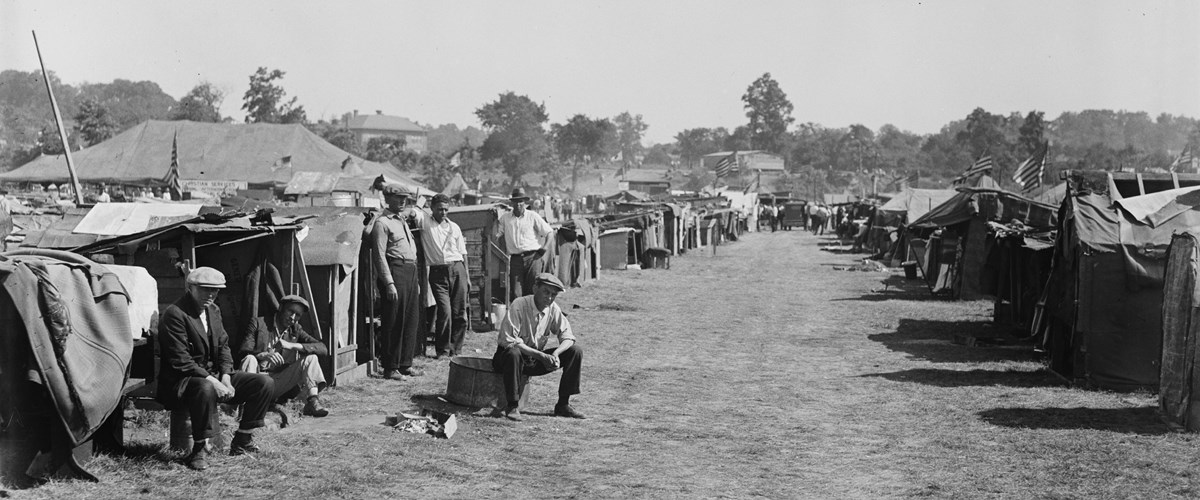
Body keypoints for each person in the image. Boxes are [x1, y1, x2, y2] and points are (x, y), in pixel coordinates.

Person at [156, 267, 274, 471]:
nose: (211, 294)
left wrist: (227, 377)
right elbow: (181, 361)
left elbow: (224, 347)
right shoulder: (175, 314)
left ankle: (243, 438)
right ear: (190, 287)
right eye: (205, 289)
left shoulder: (213, 310)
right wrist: (214, 381)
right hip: (182, 382)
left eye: (215, 290)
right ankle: (199, 449)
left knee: (264, 383)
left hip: (213, 377)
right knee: (204, 388)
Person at [492, 273, 584, 421]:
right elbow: (509, 341)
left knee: (575, 351)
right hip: (507, 359)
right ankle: (512, 405)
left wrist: (556, 353)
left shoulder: (553, 308)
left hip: (532, 359)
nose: (549, 298)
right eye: (546, 292)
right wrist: (541, 356)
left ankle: (563, 405)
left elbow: (568, 336)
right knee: (513, 353)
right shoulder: (519, 305)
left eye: (553, 294)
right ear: (535, 288)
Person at [238, 295, 329, 418]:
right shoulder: (259, 323)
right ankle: (246, 407)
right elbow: (244, 351)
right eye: (290, 312)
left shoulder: (295, 329)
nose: (293, 318)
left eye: (297, 315)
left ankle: (312, 401)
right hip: (256, 378)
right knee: (249, 359)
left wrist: (293, 346)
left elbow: (322, 348)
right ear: (280, 308)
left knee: (311, 359)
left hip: (277, 381)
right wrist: (262, 355)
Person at [370, 184, 425, 380]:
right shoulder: (382, 223)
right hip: (395, 271)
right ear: (387, 199)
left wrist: (415, 280)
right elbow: (379, 256)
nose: (402, 202)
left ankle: (405, 364)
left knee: (410, 319)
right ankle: (390, 367)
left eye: (405, 198)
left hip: (410, 272)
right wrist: (389, 282)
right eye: (398, 198)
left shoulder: (401, 221)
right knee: (393, 320)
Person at [409, 193, 469, 358]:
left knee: (460, 312)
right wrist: (421, 201)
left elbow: (463, 254)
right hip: (437, 272)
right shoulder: (425, 222)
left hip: (458, 269)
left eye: (446, 209)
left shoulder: (454, 227)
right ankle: (442, 349)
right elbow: (412, 213)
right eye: (440, 209)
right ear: (432, 209)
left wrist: (467, 277)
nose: (443, 213)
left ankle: (456, 349)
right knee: (445, 311)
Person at [495, 187, 552, 299]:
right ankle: (520, 316)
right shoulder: (505, 218)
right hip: (515, 259)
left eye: (521, 201)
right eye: (516, 202)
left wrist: (545, 248)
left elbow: (549, 232)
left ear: (525, 202)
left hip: (533, 258)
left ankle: (533, 316)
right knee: (516, 293)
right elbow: (497, 235)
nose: (518, 204)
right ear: (512, 203)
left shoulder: (532, 216)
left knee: (533, 291)